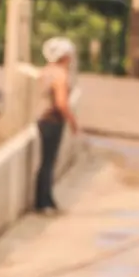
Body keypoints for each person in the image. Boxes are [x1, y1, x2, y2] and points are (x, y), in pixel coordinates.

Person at [35, 37, 79, 215]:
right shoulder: (61, 75)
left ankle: (46, 199)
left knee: (45, 161)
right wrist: (73, 121)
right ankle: (44, 202)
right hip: (53, 120)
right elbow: (61, 103)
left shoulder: (46, 71)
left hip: (42, 118)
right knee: (49, 162)